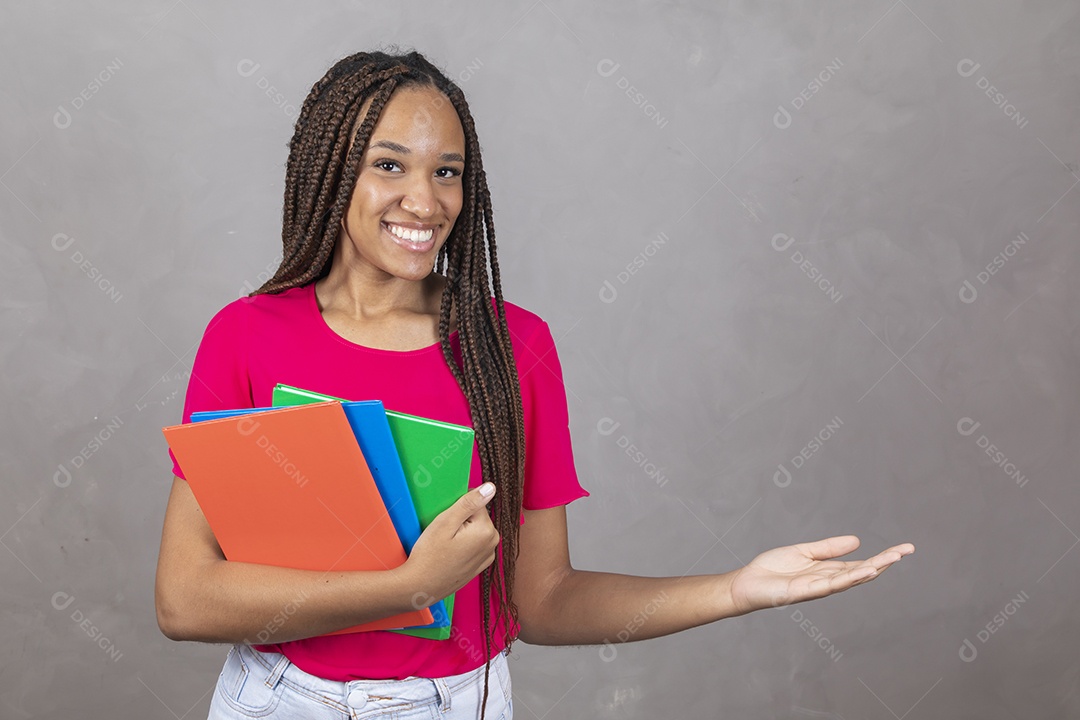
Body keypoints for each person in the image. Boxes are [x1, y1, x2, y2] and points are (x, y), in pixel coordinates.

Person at [154, 49, 914, 720]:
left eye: (446, 171)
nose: (426, 202)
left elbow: (542, 599)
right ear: (330, 171)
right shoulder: (248, 335)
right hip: (274, 697)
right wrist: (410, 586)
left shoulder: (512, 348)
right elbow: (185, 598)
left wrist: (735, 589)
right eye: (389, 164)